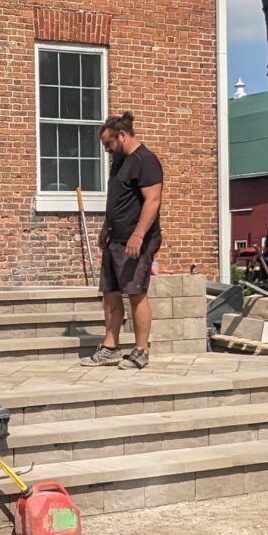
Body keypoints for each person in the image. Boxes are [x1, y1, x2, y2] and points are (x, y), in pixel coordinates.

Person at [90, 111, 163, 368]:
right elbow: (117, 200)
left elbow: (152, 201)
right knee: (110, 293)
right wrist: (105, 228)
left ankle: (141, 351)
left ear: (122, 136)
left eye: (109, 144)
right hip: (115, 238)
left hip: (137, 240)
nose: (107, 149)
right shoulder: (119, 162)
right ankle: (110, 347)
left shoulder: (146, 161)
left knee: (135, 294)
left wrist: (138, 235)